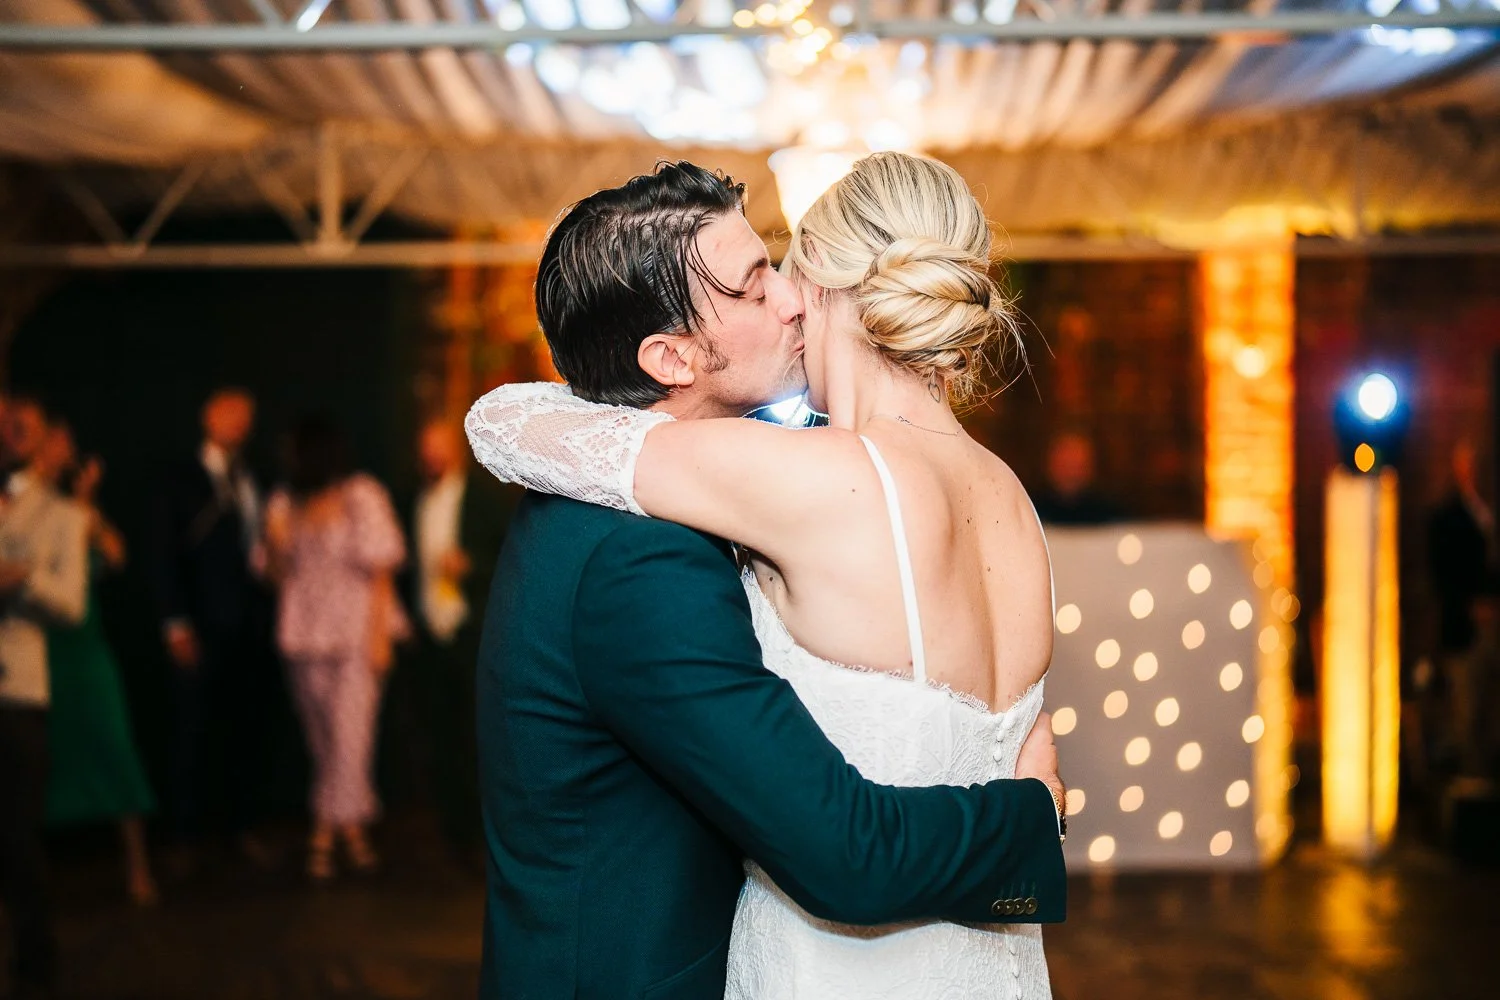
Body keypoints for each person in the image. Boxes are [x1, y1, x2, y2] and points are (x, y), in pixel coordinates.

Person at [465, 157, 1066, 1000]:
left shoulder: (797, 482)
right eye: (755, 285)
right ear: (672, 356)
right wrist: (1031, 819)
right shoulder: (1008, 497)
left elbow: (504, 421)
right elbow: (841, 844)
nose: (787, 300)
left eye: (787, 269)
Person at [265, 416, 408, 883]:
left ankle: (324, 834)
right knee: (323, 741)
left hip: (354, 636)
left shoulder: (360, 494)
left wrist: (380, 638)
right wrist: (274, 540)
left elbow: (382, 567)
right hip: (304, 636)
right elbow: (273, 574)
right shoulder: (285, 502)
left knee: (353, 738)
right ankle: (352, 835)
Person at [149, 388, 276, 868]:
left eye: (246, 415)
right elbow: (162, 554)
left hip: (249, 625)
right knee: (191, 732)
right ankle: (185, 835)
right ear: (208, 417)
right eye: (230, 414)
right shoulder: (178, 478)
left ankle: (242, 827)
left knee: (246, 730)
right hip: (198, 625)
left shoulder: (253, 476)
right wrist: (174, 623)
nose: (239, 423)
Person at [41, 430, 158, 906]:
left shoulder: (79, 515)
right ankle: (29, 876)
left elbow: (116, 554)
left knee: (115, 750)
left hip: (87, 653)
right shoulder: (24, 512)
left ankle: (137, 867)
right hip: (37, 650)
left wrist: (87, 502)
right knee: (35, 764)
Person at [0, 398, 88, 1000]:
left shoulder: (60, 515)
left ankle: (34, 956)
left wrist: (23, 578)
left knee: (16, 835)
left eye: (20, 428)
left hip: (17, 688)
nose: (12, 436)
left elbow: (73, 604)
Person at [403, 419, 515, 860]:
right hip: (430, 636)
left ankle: (480, 834)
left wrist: (473, 567)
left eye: (438, 445)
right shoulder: (413, 498)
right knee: (440, 735)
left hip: (474, 631)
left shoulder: (486, 499)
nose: (431, 455)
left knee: (478, 734)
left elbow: (511, 556)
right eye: (424, 447)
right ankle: (451, 830)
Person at [1427, 439, 1496, 776]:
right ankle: (1470, 785)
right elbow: (1442, 572)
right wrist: (1471, 605)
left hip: (1491, 626)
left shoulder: (1486, 511)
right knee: (1466, 712)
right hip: (1465, 629)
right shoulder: (1447, 516)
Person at [1031, 430, 1123, 525]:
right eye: (1065, 464)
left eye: (1078, 465)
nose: (1071, 473)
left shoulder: (1110, 515)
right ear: (1049, 465)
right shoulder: (1030, 511)